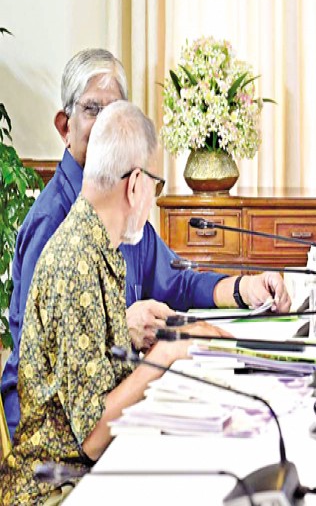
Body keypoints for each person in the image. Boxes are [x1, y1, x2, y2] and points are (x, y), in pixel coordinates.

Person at [1, 49, 289, 439]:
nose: (106, 124)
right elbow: (41, 350)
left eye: (114, 110)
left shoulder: (120, 214)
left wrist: (244, 288)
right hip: (54, 435)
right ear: (64, 126)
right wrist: (130, 333)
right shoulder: (56, 225)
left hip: (104, 407)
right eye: (92, 110)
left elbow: (179, 282)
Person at [0, 102, 231, 504]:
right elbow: (91, 437)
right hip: (56, 486)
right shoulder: (76, 260)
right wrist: (169, 353)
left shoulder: (98, 245)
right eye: (155, 187)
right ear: (136, 183)